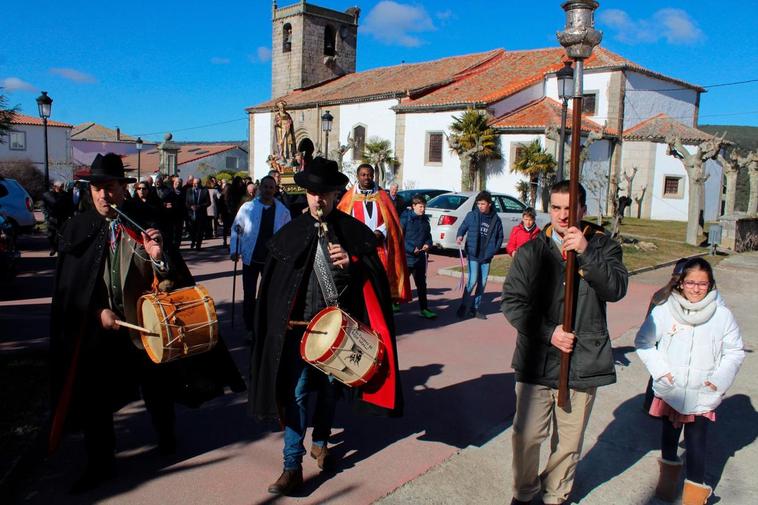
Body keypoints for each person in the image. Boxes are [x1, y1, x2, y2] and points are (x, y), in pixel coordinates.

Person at [49, 153, 245, 493]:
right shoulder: (76, 228)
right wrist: (97, 312)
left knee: (157, 388)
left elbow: (170, 281)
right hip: (98, 329)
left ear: (123, 189)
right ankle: (101, 461)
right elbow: (70, 287)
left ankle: (166, 436)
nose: (104, 196)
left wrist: (159, 257)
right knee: (97, 397)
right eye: (97, 188)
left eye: (110, 187)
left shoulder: (143, 224)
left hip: (145, 326)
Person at [249, 157, 403, 496]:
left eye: (325, 193)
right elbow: (275, 288)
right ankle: (292, 465)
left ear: (336, 194)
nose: (318, 199)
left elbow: (374, 278)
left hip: (340, 333)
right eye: (312, 192)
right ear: (306, 193)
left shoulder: (351, 232)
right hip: (300, 332)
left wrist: (353, 264)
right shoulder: (290, 234)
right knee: (298, 394)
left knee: (331, 390)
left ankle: (320, 442)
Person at [501, 180, 628, 505]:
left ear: (583, 210)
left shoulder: (604, 247)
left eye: (568, 209)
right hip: (536, 361)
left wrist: (585, 253)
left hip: (582, 363)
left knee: (569, 444)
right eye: (555, 208)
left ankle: (555, 495)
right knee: (526, 437)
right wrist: (550, 332)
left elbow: (615, 289)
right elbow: (513, 303)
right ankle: (526, 492)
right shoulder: (531, 251)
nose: (560, 215)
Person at [635, 258, 743, 505]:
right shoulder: (664, 310)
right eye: (691, 282)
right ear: (681, 283)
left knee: (696, 442)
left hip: (703, 391)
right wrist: (661, 372)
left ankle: (694, 496)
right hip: (672, 389)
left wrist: (718, 381)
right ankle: (667, 484)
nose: (696, 289)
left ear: (711, 285)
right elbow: (644, 342)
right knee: (670, 436)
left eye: (702, 284)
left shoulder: (722, 315)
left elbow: (734, 351)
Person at [337, 163, 410, 306]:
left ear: (373, 176)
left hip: (379, 249)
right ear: (357, 176)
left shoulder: (382, 196)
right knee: (361, 284)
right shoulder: (349, 198)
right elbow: (342, 221)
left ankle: (382, 309)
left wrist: (380, 231)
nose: (367, 178)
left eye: (369, 175)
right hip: (358, 250)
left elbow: (391, 220)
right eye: (363, 175)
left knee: (380, 283)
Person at [230, 176, 290, 341]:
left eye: (271, 187)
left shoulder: (283, 211)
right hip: (251, 258)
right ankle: (250, 327)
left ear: (275, 190)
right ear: (260, 188)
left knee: (269, 294)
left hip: (271, 260)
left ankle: (266, 326)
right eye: (265, 187)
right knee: (249, 294)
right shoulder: (248, 208)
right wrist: (234, 248)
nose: (268, 190)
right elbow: (237, 227)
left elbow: (287, 236)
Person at [455, 191, 504, 319]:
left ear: (489, 204)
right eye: (478, 204)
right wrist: (459, 235)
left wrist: (493, 250)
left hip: (486, 256)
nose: (480, 206)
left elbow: (500, 237)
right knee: (472, 281)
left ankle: (474, 309)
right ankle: (463, 306)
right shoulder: (472, 215)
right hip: (473, 254)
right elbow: (462, 227)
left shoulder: (496, 219)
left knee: (482, 284)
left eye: (483, 204)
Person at [400, 195, 436, 319]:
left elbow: (429, 237)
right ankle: (394, 303)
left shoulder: (425, 221)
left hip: (420, 258)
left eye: (424, 207)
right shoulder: (405, 219)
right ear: (413, 206)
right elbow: (399, 238)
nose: (423, 209)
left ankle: (424, 309)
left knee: (421, 285)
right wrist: (411, 248)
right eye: (420, 207)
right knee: (401, 283)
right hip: (406, 258)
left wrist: (427, 244)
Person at [42, 180, 74, 256]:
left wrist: (69, 215)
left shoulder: (66, 195)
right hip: (52, 218)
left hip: (63, 218)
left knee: (62, 234)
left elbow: (70, 206)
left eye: (62, 186)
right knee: (51, 235)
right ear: (55, 187)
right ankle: (53, 247)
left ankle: (61, 249)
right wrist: (47, 215)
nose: (61, 188)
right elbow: (43, 206)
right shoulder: (47, 195)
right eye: (60, 186)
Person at [185, 177, 210, 249]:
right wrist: (190, 207)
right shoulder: (189, 190)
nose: (195, 185)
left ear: (200, 183)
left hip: (201, 213)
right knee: (192, 230)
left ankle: (198, 244)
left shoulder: (204, 191)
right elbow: (186, 202)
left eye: (197, 184)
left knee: (200, 230)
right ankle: (193, 242)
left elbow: (208, 202)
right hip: (191, 214)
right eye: (194, 184)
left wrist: (199, 206)